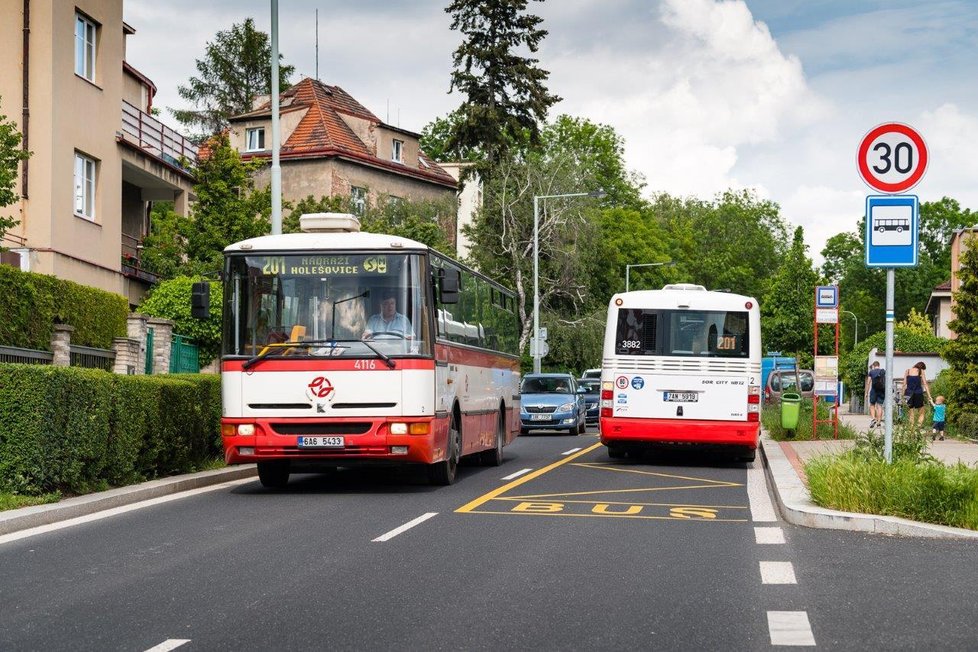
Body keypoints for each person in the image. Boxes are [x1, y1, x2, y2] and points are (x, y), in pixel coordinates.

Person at [903, 361, 931, 429]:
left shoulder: (907, 371)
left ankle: (911, 429)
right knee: (922, 412)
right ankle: (918, 427)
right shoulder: (921, 371)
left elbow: (904, 385)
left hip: (908, 393)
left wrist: (903, 396)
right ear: (922, 367)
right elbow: (925, 384)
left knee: (911, 413)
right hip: (918, 393)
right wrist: (929, 396)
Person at [864, 361, 886, 428]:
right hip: (882, 391)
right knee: (879, 406)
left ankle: (873, 419)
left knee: (872, 405)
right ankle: (879, 423)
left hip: (874, 391)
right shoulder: (883, 372)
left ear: (873, 366)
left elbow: (868, 383)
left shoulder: (871, 372)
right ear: (879, 365)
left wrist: (866, 392)